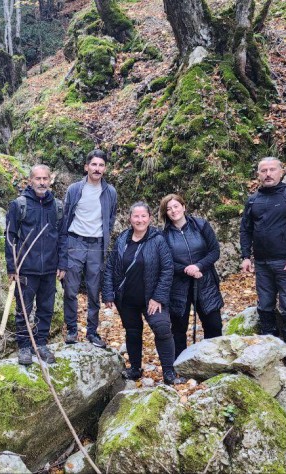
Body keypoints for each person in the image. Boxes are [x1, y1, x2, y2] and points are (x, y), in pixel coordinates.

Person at [240, 157, 286, 371]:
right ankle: (270, 344)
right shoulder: (253, 200)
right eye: (263, 170)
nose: (268, 173)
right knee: (264, 305)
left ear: (281, 172)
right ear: (258, 175)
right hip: (262, 263)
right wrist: (246, 256)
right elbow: (246, 230)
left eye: (272, 169)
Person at [102, 202, 186, 384]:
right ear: (130, 218)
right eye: (136, 216)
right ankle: (135, 369)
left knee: (162, 328)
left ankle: (169, 373)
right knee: (132, 332)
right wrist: (108, 292)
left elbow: (167, 269)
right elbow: (110, 266)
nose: (139, 220)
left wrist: (158, 297)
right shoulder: (123, 239)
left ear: (149, 218)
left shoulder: (158, 239)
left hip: (152, 298)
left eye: (143, 216)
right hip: (127, 299)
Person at [57, 149, 118, 348]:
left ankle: (92, 332)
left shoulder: (110, 192)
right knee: (70, 289)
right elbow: (65, 218)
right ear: (86, 167)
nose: (97, 169)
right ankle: (72, 329)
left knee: (93, 290)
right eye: (94, 165)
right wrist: (63, 249)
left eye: (101, 165)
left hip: (97, 244)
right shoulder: (75, 189)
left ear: (105, 168)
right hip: (75, 242)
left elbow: (110, 219)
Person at [6, 164, 61, 365]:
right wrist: (12, 267)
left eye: (45, 178)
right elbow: (10, 237)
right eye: (38, 179)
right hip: (25, 269)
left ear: (50, 180)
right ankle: (24, 347)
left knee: (46, 309)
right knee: (23, 310)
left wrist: (61, 263)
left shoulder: (56, 206)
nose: (42, 182)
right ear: (30, 181)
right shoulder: (19, 205)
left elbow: (61, 236)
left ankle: (41, 344)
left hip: (49, 269)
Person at [160, 194, 224, 358]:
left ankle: (214, 360)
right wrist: (186, 270)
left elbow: (214, 251)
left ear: (183, 206)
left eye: (175, 206)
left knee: (213, 324)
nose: (173, 211)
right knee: (178, 329)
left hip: (205, 280)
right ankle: (180, 365)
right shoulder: (164, 236)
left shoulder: (200, 225)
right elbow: (166, 262)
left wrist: (198, 266)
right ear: (165, 213)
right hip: (178, 286)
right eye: (168, 209)